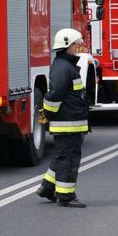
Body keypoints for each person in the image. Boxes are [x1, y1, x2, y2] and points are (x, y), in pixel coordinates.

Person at [36, 28, 90, 208]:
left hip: (71, 122)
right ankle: (66, 196)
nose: (78, 46)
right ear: (67, 45)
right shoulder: (63, 68)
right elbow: (55, 95)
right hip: (68, 123)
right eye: (76, 44)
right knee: (68, 159)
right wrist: (47, 113)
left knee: (61, 156)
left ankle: (47, 187)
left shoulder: (64, 66)